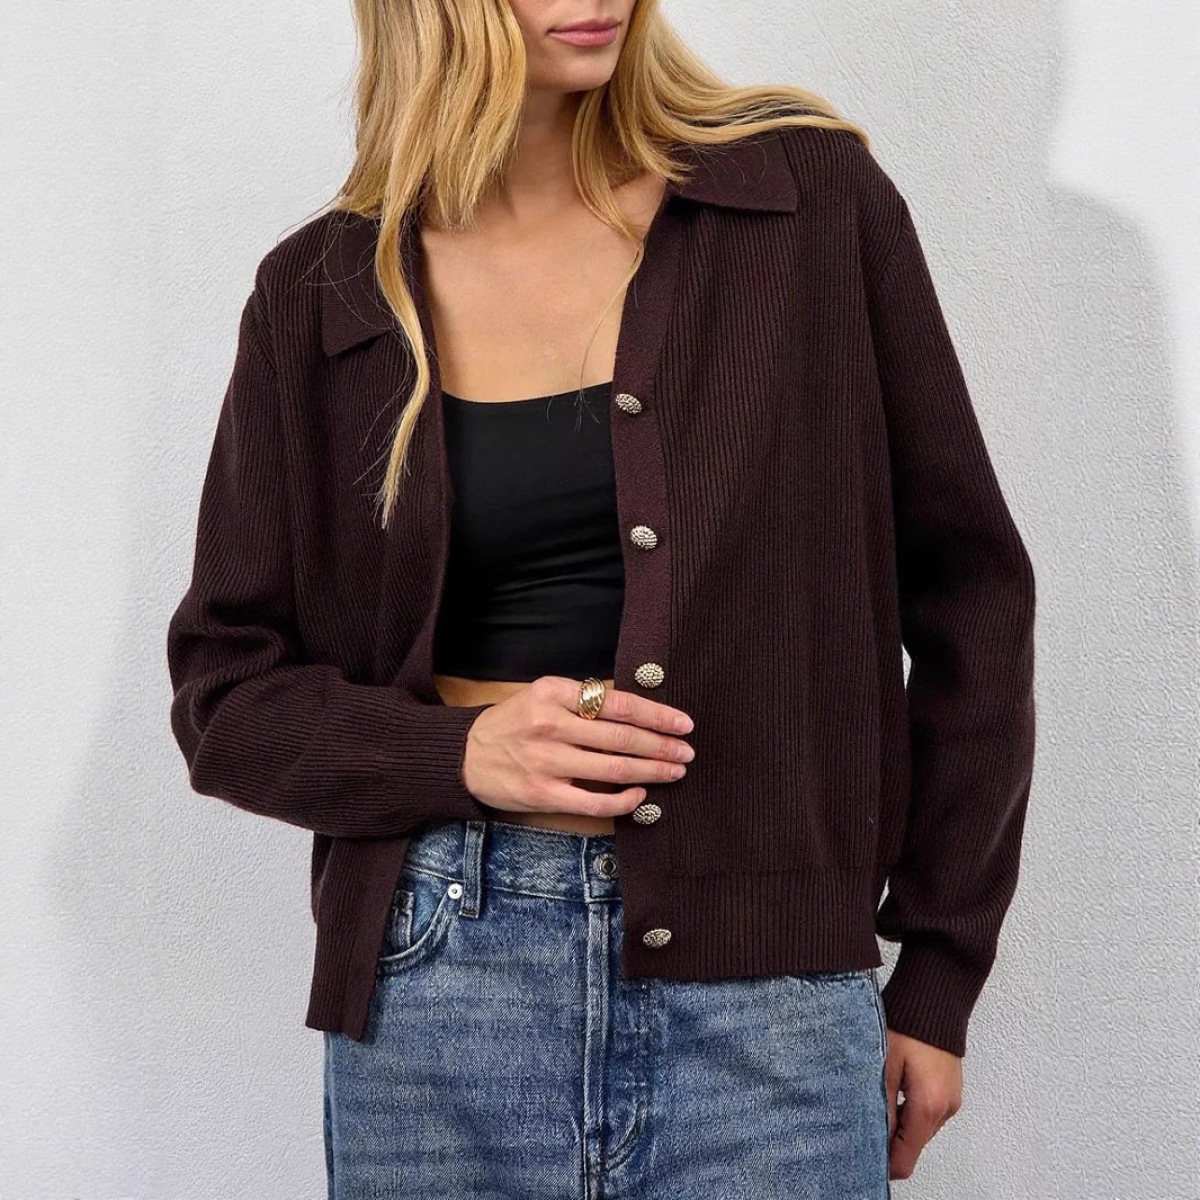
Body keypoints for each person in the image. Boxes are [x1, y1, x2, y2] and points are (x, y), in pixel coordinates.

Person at [166, 1, 1038, 1196]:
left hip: (772, 994)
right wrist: (459, 752)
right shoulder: (323, 292)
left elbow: (973, 595)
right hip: (440, 980)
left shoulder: (805, 200)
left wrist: (938, 972)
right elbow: (226, 699)